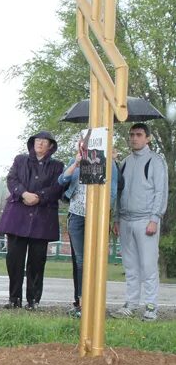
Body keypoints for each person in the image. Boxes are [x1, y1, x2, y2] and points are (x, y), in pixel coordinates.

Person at [0, 131, 65, 310]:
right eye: (37, 140)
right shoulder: (20, 160)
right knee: (14, 260)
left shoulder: (57, 166)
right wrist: (24, 193)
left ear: (51, 146)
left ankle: (33, 300)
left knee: (37, 261)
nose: (40, 143)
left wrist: (40, 197)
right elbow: (12, 179)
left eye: (44, 141)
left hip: (42, 219)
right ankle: (14, 299)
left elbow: (57, 187)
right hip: (17, 217)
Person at [57, 133, 118, 318]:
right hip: (77, 215)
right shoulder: (75, 160)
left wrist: (104, 214)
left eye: (91, 141)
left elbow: (113, 192)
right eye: (84, 141)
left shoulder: (108, 163)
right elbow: (61, 180)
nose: (86, 145)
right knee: (80, 260)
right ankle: (81, 303)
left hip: (97, 216)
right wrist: (76, 163)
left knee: (96, 260)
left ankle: (95, 304)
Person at [112, 123, 168, 321]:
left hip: (146, 220)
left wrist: (155, 218)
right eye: (132, 135)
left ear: (148, 138)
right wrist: (117, 218)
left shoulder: (156, 161)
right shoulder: (125, 162)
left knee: (148, 265)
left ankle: (151, 306)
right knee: (130, 266)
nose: (134, 138)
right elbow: (119, 192)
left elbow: (160, 192)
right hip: (126, 220)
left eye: (139, 135)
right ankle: (131, 304)